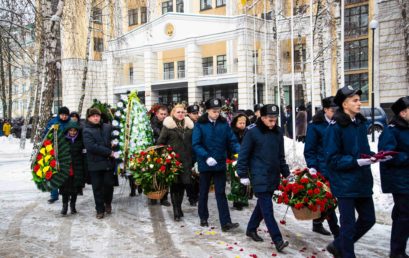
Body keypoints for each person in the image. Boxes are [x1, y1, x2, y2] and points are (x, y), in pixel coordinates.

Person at [325, 86, 383, 258]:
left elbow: (361, 150)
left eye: (359, 100)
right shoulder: (335, 127)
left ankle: (338, 245)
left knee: (368, 219)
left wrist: (374, 156)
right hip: (345, 183)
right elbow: (332, 159)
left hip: (362, 180)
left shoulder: (359, 123)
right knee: (348, 225)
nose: (359, 103)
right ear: (344, 104)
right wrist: (356, 161)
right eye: (355, 100)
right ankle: (346, 253)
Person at [236, 104, 290, 252]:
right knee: (267, 209)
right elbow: (244, 154)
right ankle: (277, 240)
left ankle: (251, 228)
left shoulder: (278, 132)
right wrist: (242, 174)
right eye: (270, 120)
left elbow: (280, 156)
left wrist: (287, 173)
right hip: (258, 174)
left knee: (262, 205)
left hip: (273, 174)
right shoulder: (252, 132)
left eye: (275, 120)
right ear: (262, 118)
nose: (273, 123)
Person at [192, 98, 240, 232]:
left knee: (220, 193)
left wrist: (240, 151)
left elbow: (232, 140)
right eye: (214, 111)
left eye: (218, 111)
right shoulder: (200, 124)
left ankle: (226, 222)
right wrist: (206, 157)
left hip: (219, 163)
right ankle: (203, 217)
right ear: (207, 111)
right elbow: (196, 144)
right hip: (205, 163)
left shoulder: (224, 124)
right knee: (203, 192)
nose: (216, 114)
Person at [304, 97, 340, 237]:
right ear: (325, 110)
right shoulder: (316, 125)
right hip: (322, 168)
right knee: (329, 200)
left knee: (331, 200)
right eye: (333, 110)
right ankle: (337, 231)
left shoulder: (340, 122)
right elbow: (310, 149)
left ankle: (317, 223)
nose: (336, 113)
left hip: (338, 167)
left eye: (338, 110)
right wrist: (312, 166)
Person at [378, 96, 409, 258]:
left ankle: (398, 249)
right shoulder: (392, 130)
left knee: (401, 215)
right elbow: (385, 155)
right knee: (404, 215)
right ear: (403, 113)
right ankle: (397, 252)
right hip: (400, 181)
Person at [157, 104, 194, 221]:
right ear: (173, 113)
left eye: (182, 112)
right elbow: (160, 142)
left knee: (183, 185)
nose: (180, 114)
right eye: (178, 112)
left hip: (187, 160)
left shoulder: (189, 125)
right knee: (174, 186)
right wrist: (166, 156)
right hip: (173, 161)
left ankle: (179, 207)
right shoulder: (168, 126)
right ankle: (176, 211)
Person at [83, 108, 115, 219]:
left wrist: (114, 142)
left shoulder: (107, 127)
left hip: (107, 163)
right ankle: (99, 210)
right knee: (97, 188)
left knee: (109, 185)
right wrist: (109, 152)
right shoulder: (86, 130)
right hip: (95, 164)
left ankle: (108, 203)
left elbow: (115, 135)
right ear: (89, 118)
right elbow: (91, 146)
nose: (96, 118)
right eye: (93, 116)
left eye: (98, 116)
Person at [45, 106, 71, 204]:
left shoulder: (70, 123)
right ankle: (54, 195)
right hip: (54, 152)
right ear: (59, 114)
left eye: (65, 115)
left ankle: (65, 194)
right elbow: (46, 135)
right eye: (62, 115)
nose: (64, 117)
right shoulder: (53, 122)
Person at [59, 121, 85, 215]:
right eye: (71, 130)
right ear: (68, 131)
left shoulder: (80, 141)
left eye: (74, 131)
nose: (73, 132)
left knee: (75, 189)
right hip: (65, 169)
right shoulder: (63, 140)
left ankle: (73, 205)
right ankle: (64, 206)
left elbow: (83, 155)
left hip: (77, 168)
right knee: (65, 189)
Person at [150, 104, 171, 206]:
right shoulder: (151, 123)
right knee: (154, 174)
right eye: (161, 114)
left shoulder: (168, 123)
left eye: (165, 114)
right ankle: (153, 196)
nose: (163, 116)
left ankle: (164, 198)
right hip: (153, 152)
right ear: (157, 114)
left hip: (165, 151)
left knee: (165, 174)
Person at [229, 113, 251, 210]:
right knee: (236, 180)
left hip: (246, 157)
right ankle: (236, 200)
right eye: (240, 123)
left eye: (244, 123)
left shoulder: (248, 132)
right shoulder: (232, 132)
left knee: (246, 179)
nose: (242, 125)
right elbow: (233, 144)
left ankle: (244, 199)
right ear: (235, 123)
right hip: (235, 157)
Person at [186, 104, 200, 206]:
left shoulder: (199, 123)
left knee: (198, 174)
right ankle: (191, 196)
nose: (196, 115)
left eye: (197, 113)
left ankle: (196, 194)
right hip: (188, 153)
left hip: (197, 153)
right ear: (189, 114)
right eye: (194, 113)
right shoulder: (186, 123)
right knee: (190, 176)